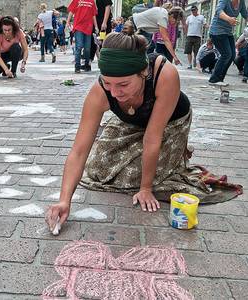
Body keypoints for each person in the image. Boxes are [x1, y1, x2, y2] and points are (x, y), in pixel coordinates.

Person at [46, 32, 243, 232]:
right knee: (98, 169)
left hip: (170, 124)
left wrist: (145, 189)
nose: (114, 93)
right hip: (132, 123)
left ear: (143, 72)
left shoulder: (164, 74)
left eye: (123, 84)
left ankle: (178, 152)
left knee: (133, 176)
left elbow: (152, 138)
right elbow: (79, 150)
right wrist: (64, 201)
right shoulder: (100, 91)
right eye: (108, 83)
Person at [208, 0, 247, 85]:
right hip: (217, 31)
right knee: (226, 54)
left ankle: (220, 79)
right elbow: (219, 11)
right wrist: (229, 19)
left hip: (227, 32)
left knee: (232, 55)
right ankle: (214, 79)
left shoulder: (242, 2)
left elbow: (245, 14)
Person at [67, 0, 99, 73]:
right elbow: (71, 11)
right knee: (79, 46)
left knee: (87, 48)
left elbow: (93, 15)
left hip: (88, 27)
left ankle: (86, 65)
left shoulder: (92, 2)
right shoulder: (76, 0)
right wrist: (68, 22)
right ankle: (77, 67)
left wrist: (96, 26)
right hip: (78, 26)